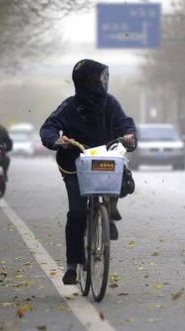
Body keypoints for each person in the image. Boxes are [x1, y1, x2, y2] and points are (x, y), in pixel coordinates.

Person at [40, 59, 137, 285]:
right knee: (77, 213)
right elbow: (48, 127)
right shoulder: (69, 106)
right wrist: (57, 139)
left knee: (122, 179)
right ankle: (72, 265)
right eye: (95, 79)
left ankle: (109, 210)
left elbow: (126, 124)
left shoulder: (111, 104)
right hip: (74, 165)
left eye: (101, 78)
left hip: (103, 160)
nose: (100, 82)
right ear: (84, 82)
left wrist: (131, 136)